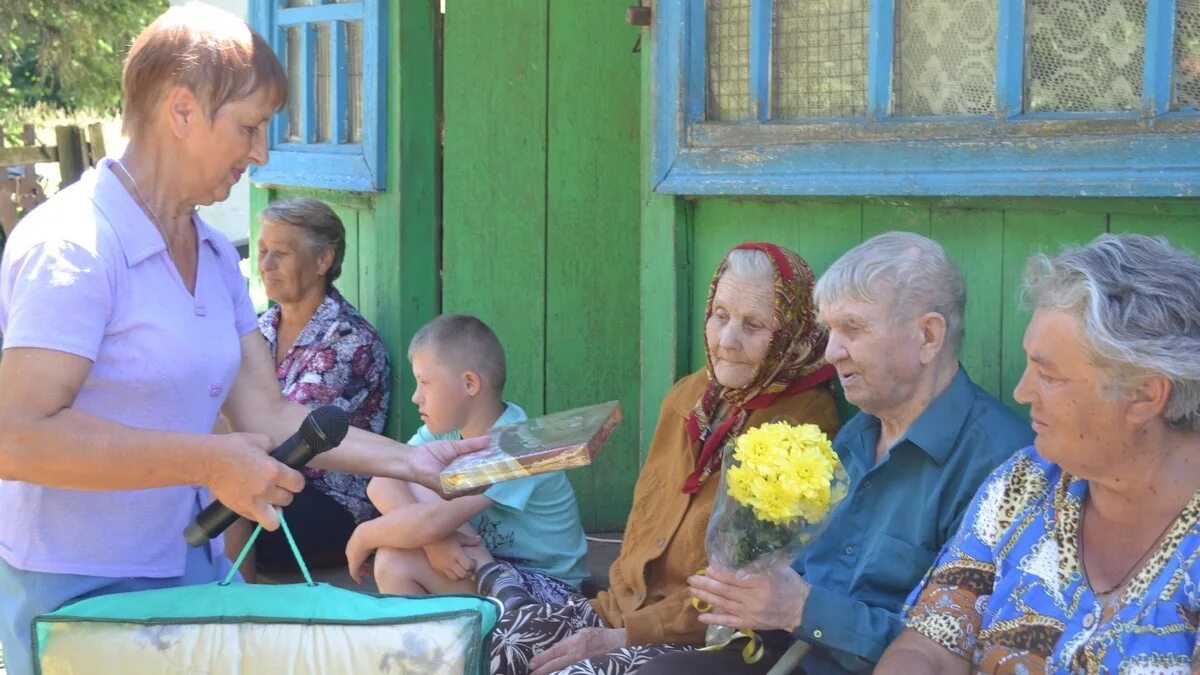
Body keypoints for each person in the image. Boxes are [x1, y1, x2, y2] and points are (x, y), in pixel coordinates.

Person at [0, 6, 484, 674]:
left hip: (190, 570)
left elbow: (270, 413)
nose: (260, 154)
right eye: (250, 128)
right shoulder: (75, 245)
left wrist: (413, 462)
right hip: (80, 590)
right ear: (181, 111)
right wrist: (206, 461)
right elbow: (16, 437)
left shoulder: (214, 254)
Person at [640, 232, 1032, 675]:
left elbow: (962, 650)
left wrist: (802, 609)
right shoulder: (854, 436)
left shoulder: (1004, 465)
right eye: (829, 331)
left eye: (853, 329)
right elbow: (798, 580)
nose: (831, 353)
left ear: (928, 335)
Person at [488, 243, 842, 675]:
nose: (727, 341)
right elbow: (643, 530)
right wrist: (604, 620)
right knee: (498, 645)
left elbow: (744, 591)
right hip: (619, 610)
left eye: (754, 325)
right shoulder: (690, 396)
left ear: (791, 332)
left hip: (699, 640)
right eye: (720, 316)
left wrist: (620, 637)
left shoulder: (802, 430)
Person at [876, 234, 1200, 674]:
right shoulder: (1026, 482)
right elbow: (930, 644)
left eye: (1049, 376)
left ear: (1144, 395)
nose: (1021, 391)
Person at [345, 314, 588, 600]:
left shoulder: (517, 444)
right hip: (492, 567)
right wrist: (435, 542)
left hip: (550, 590)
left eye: (425, 382)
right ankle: (445, 640)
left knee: (392, 559)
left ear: (470, 384)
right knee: (405, 523)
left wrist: (365, 535)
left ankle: (460, 640)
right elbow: (383, 481)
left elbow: (433, 520)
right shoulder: (444, 432)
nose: (415, 397)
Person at [222, 197, 392, 579]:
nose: (265, 265)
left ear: (323, 261)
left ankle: (235, 612)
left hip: (330, 510)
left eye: (280, 253)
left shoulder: (348, 342)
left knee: (221, 476)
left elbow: (284, 445)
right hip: (278, 489)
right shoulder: (264, 326)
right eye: (263, 251)